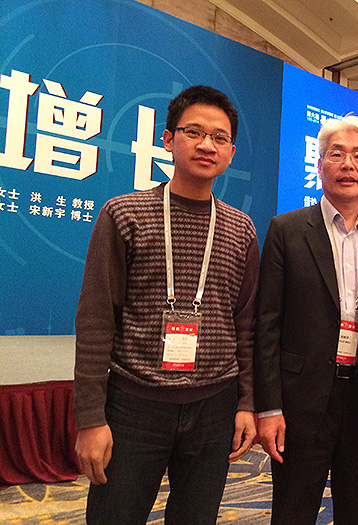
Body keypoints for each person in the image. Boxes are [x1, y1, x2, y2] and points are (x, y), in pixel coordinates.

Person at [73, 85, 258, 524]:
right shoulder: (124, 214)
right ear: (168, 139)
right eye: (194, 132)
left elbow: (247, 325)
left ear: (231, 152)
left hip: (215, 407)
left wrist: (247, 402)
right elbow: (96, 321)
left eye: (219, 137)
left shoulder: (242, 229)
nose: (207, 145)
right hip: (134, 406)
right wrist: (89, 418)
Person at [254, 115, 358, 524]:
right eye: (337, 154)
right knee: (292, 513)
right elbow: (267, 326)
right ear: (319, 165)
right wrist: (269, 407)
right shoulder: (286, 230)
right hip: (302, 400)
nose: (348, 164)